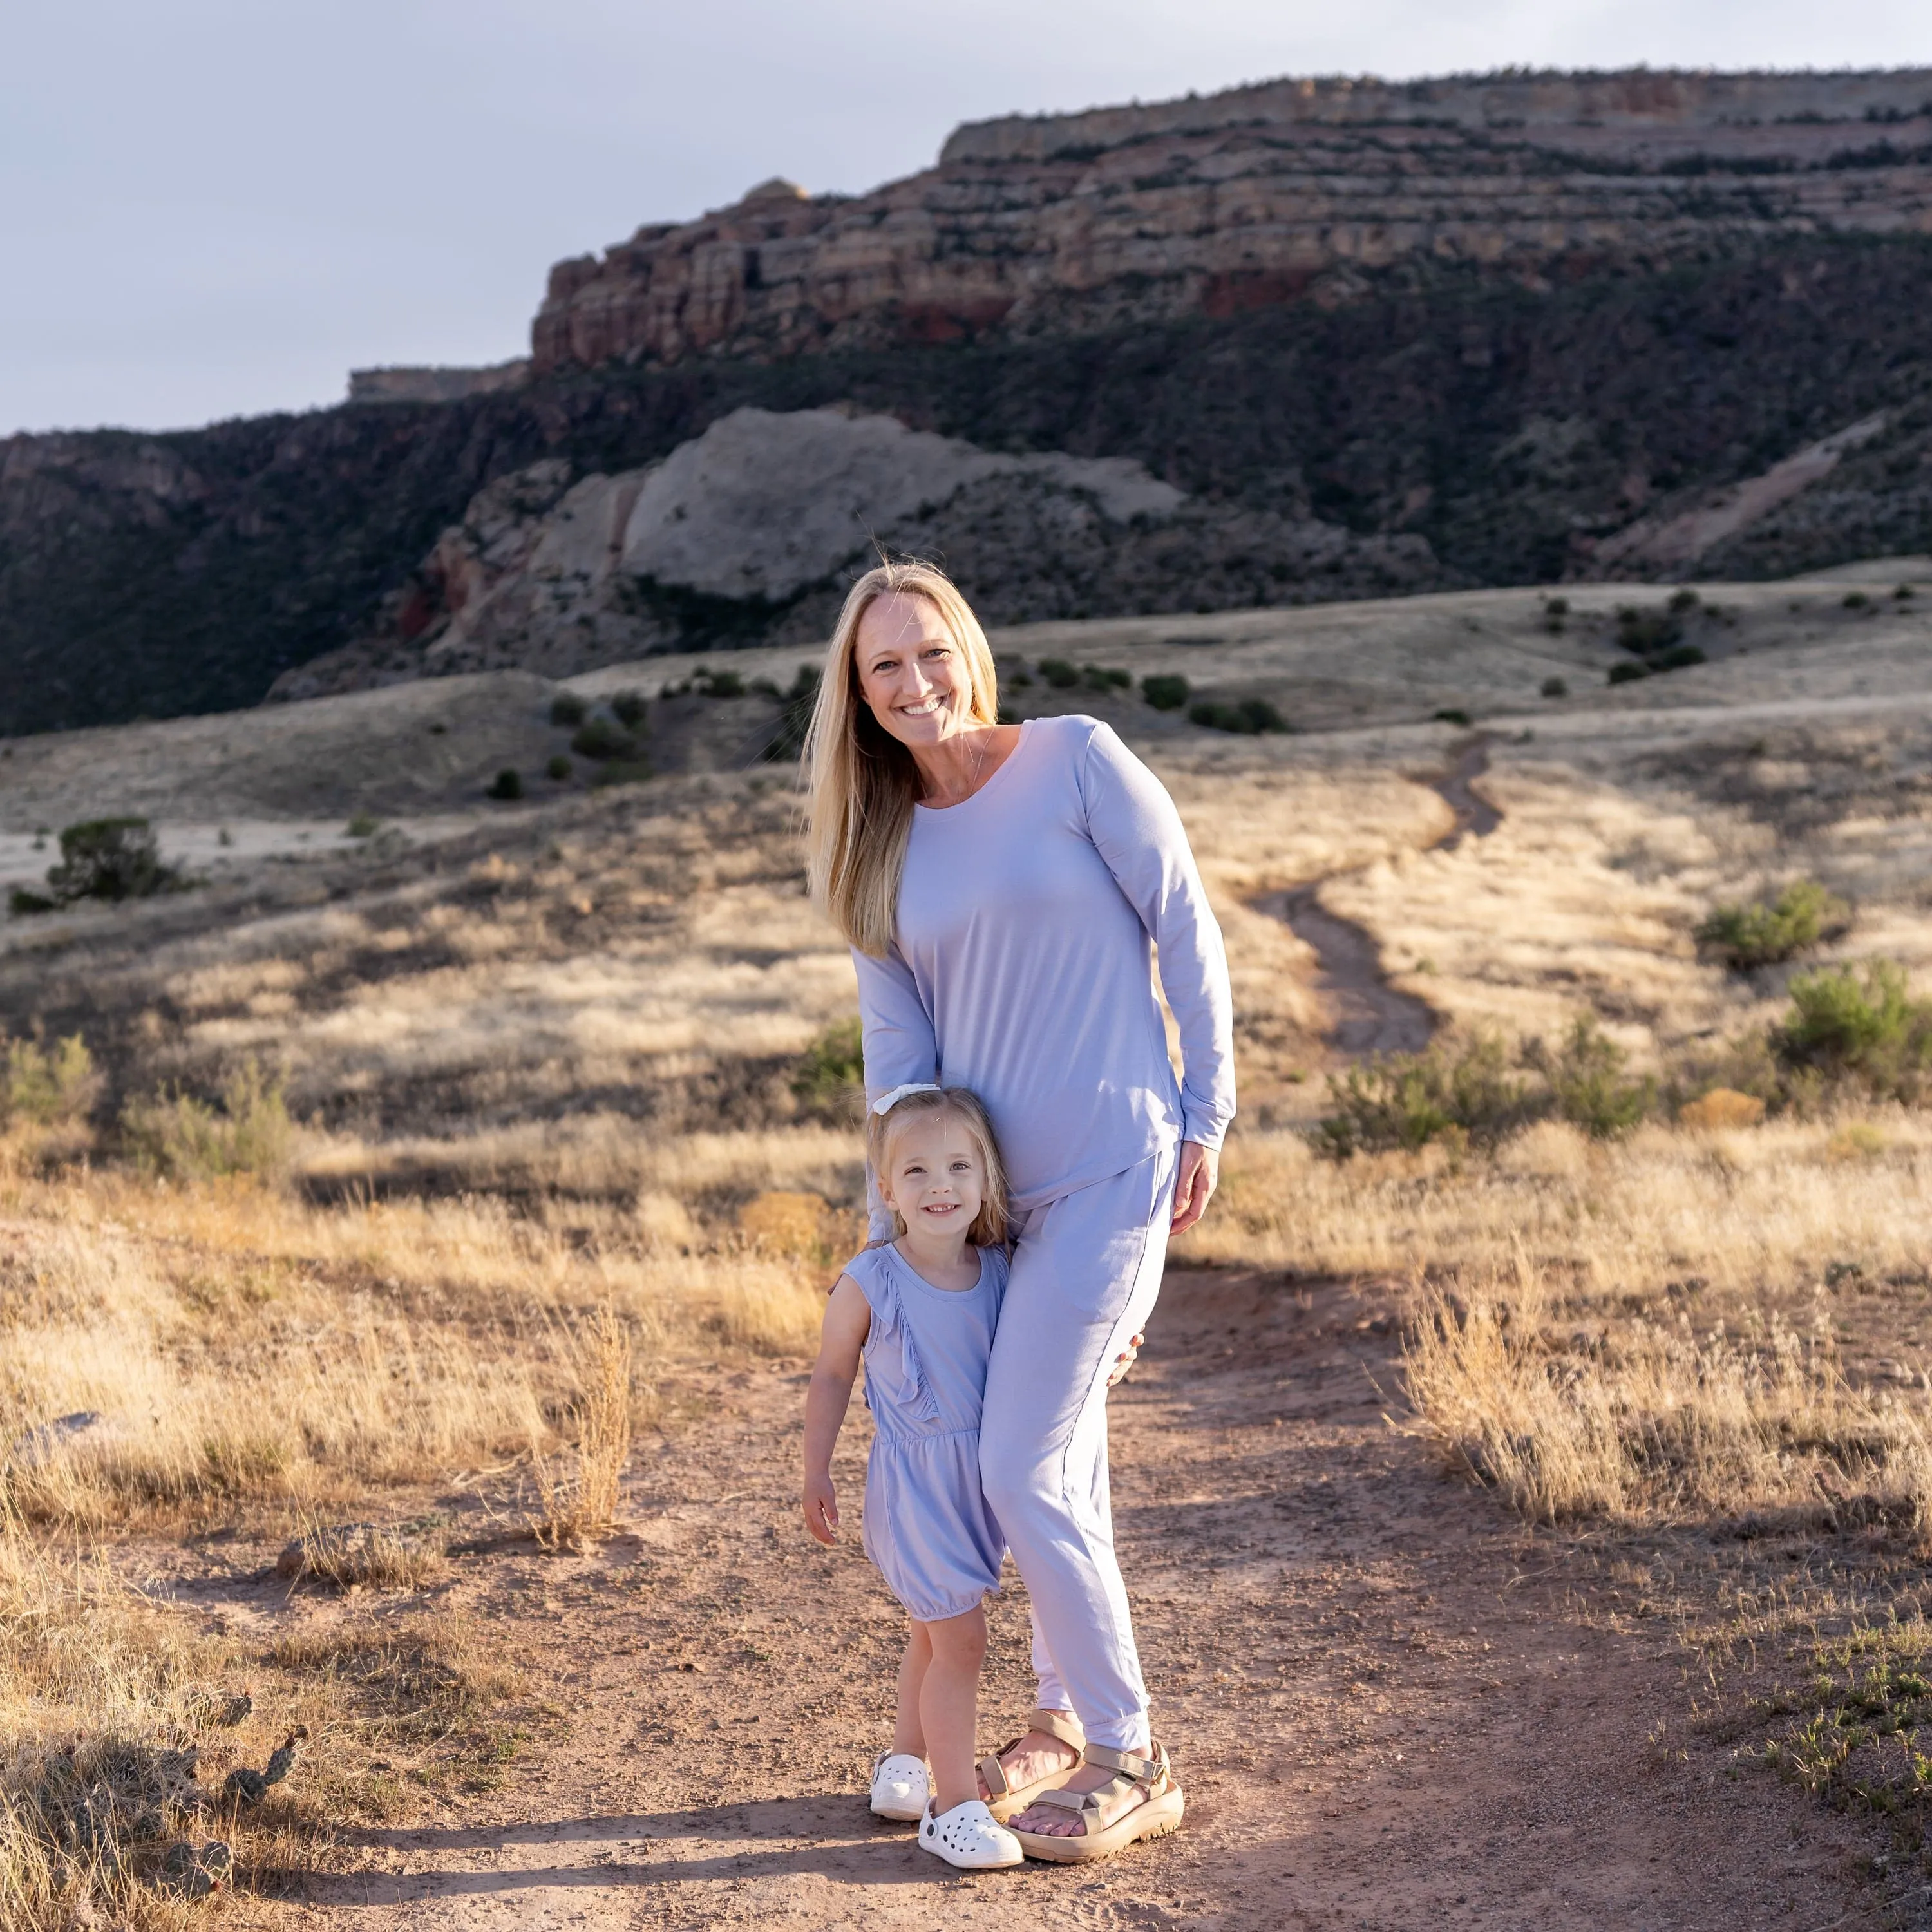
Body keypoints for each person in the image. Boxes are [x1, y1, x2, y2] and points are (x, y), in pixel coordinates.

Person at [803, 559, 1235, 1863]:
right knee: (1049, 1454)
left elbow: (1185, 924)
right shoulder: (877, 850)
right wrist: (905, 1235)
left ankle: (1130, 1750)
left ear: (968, 650)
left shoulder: (1077, 760)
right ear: (858, 694)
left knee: (1020, 1463)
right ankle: (1055, 1718)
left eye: (931, 653)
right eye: (885, 667)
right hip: (977, 1223)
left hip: (1112, 1169)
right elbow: (901, 1063)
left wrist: (1207, 1109)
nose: (915, 683)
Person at [801, 1083, 1022, 1870]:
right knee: (962, 1639)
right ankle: (953, 1807)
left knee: (933, 1631)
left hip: (978, 1484)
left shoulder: (1002, 1271)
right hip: (915, 1487)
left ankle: (904, 1760)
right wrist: (816, 1469)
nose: (941, 1187)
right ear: (887, 1189)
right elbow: (831, 1375)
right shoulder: (872, 1278)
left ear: (987, 1179)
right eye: (919, 1171)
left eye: (960, 1166)